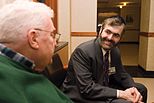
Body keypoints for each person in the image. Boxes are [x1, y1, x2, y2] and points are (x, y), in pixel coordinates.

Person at [62, 16, 147, 103]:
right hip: (81, 94)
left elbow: (122, 75)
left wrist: (133, 88)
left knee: (141, 90)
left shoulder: (114, 51)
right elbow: (87, 89)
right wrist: (122, 94)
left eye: (116, 35)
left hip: (101, 85)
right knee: (125, 102)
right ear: (100, 30)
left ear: (120, 38)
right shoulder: (83, 52)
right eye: (108, 32)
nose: (110, 38)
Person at [0, 1, 72, 103]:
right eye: (52, 34)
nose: (55, 42)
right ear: (33, 39)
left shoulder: (26, 67)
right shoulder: (5, 82)